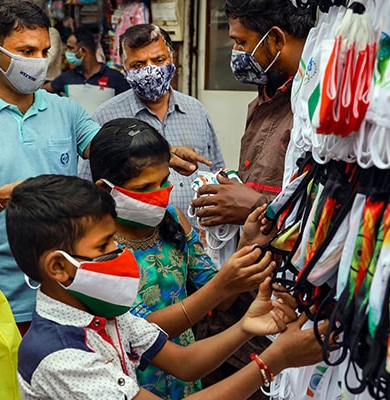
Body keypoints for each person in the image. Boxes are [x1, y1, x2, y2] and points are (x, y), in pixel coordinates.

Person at [5, 173, 328, 400]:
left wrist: (247, 326)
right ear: (58, 267)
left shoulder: (99, 312)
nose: (120, 255)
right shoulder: (60, 356)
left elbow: (184, 363)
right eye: (104, 247)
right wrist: (275, 360)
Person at [0, 0, 100, 335]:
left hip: (70, 292)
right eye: (26, 51)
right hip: (0, 302)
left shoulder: (66, 111)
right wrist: (3, 197)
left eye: (44, 51)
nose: (39, 62)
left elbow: (110, 152)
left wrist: (155, 150)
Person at [88, 118, 280, 398]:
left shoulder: (175, 222)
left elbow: (220, 299)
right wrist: (222, 285)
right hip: (134, 384)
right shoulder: (97, 249)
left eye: (164, 181)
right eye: (144, 188)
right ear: (106, 189)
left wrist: (247, 243)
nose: (159, 195)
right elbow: (139, 331)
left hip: (188, 372)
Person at [79, 24, 225, 222]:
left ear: (172, 60)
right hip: (135, 246)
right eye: (138, 65)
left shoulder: (196, 110)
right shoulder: (105, 118)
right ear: (125, 69)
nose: (150, 71)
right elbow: (89, 192)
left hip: (196, 240)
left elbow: (217, 172)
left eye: (159, 60)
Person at [190, 0, 315, 227]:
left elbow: (321, 213)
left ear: (276, 39)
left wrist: (258, 207)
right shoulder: (263, 100)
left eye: (241, 42)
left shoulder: (314, 108)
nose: (236, 53)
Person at [44, 26, 130, 95]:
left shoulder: (115, 78)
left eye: (71, 48)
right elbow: (43, 91)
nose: (67, 52)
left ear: (83, 51)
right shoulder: (68, 77)